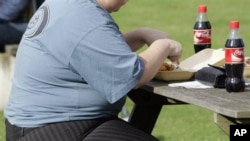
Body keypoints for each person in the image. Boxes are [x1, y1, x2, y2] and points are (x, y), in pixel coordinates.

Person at [4, 0, 182, 141]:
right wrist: (163, 46)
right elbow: (132, 75)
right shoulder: (83, 16)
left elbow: (97, 54)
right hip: (53, 127)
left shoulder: (71, 6)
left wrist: (140, 34)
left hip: (39, 125)